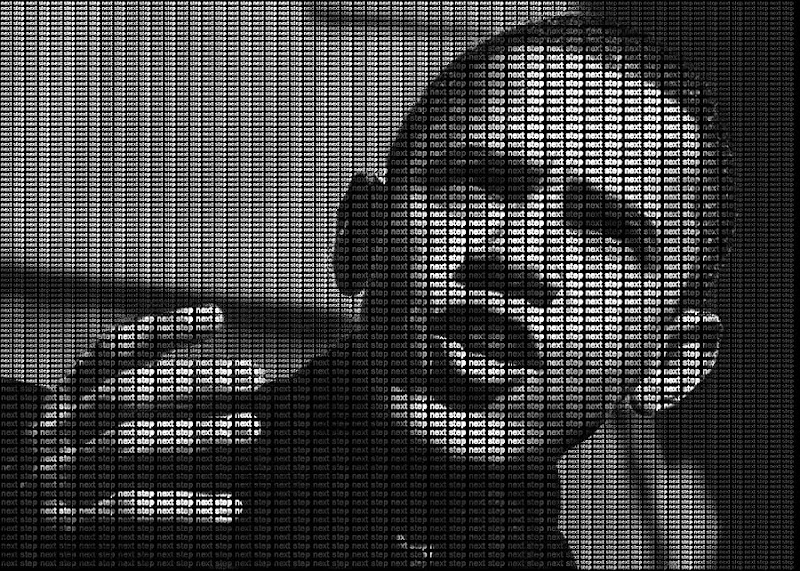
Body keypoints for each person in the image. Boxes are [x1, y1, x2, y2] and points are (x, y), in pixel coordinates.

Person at [4, 15, 733, 567]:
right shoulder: (65, 472)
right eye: (474, 185)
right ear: (362, 234)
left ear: (671, 361)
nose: (517, 256)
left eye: (608, 231)